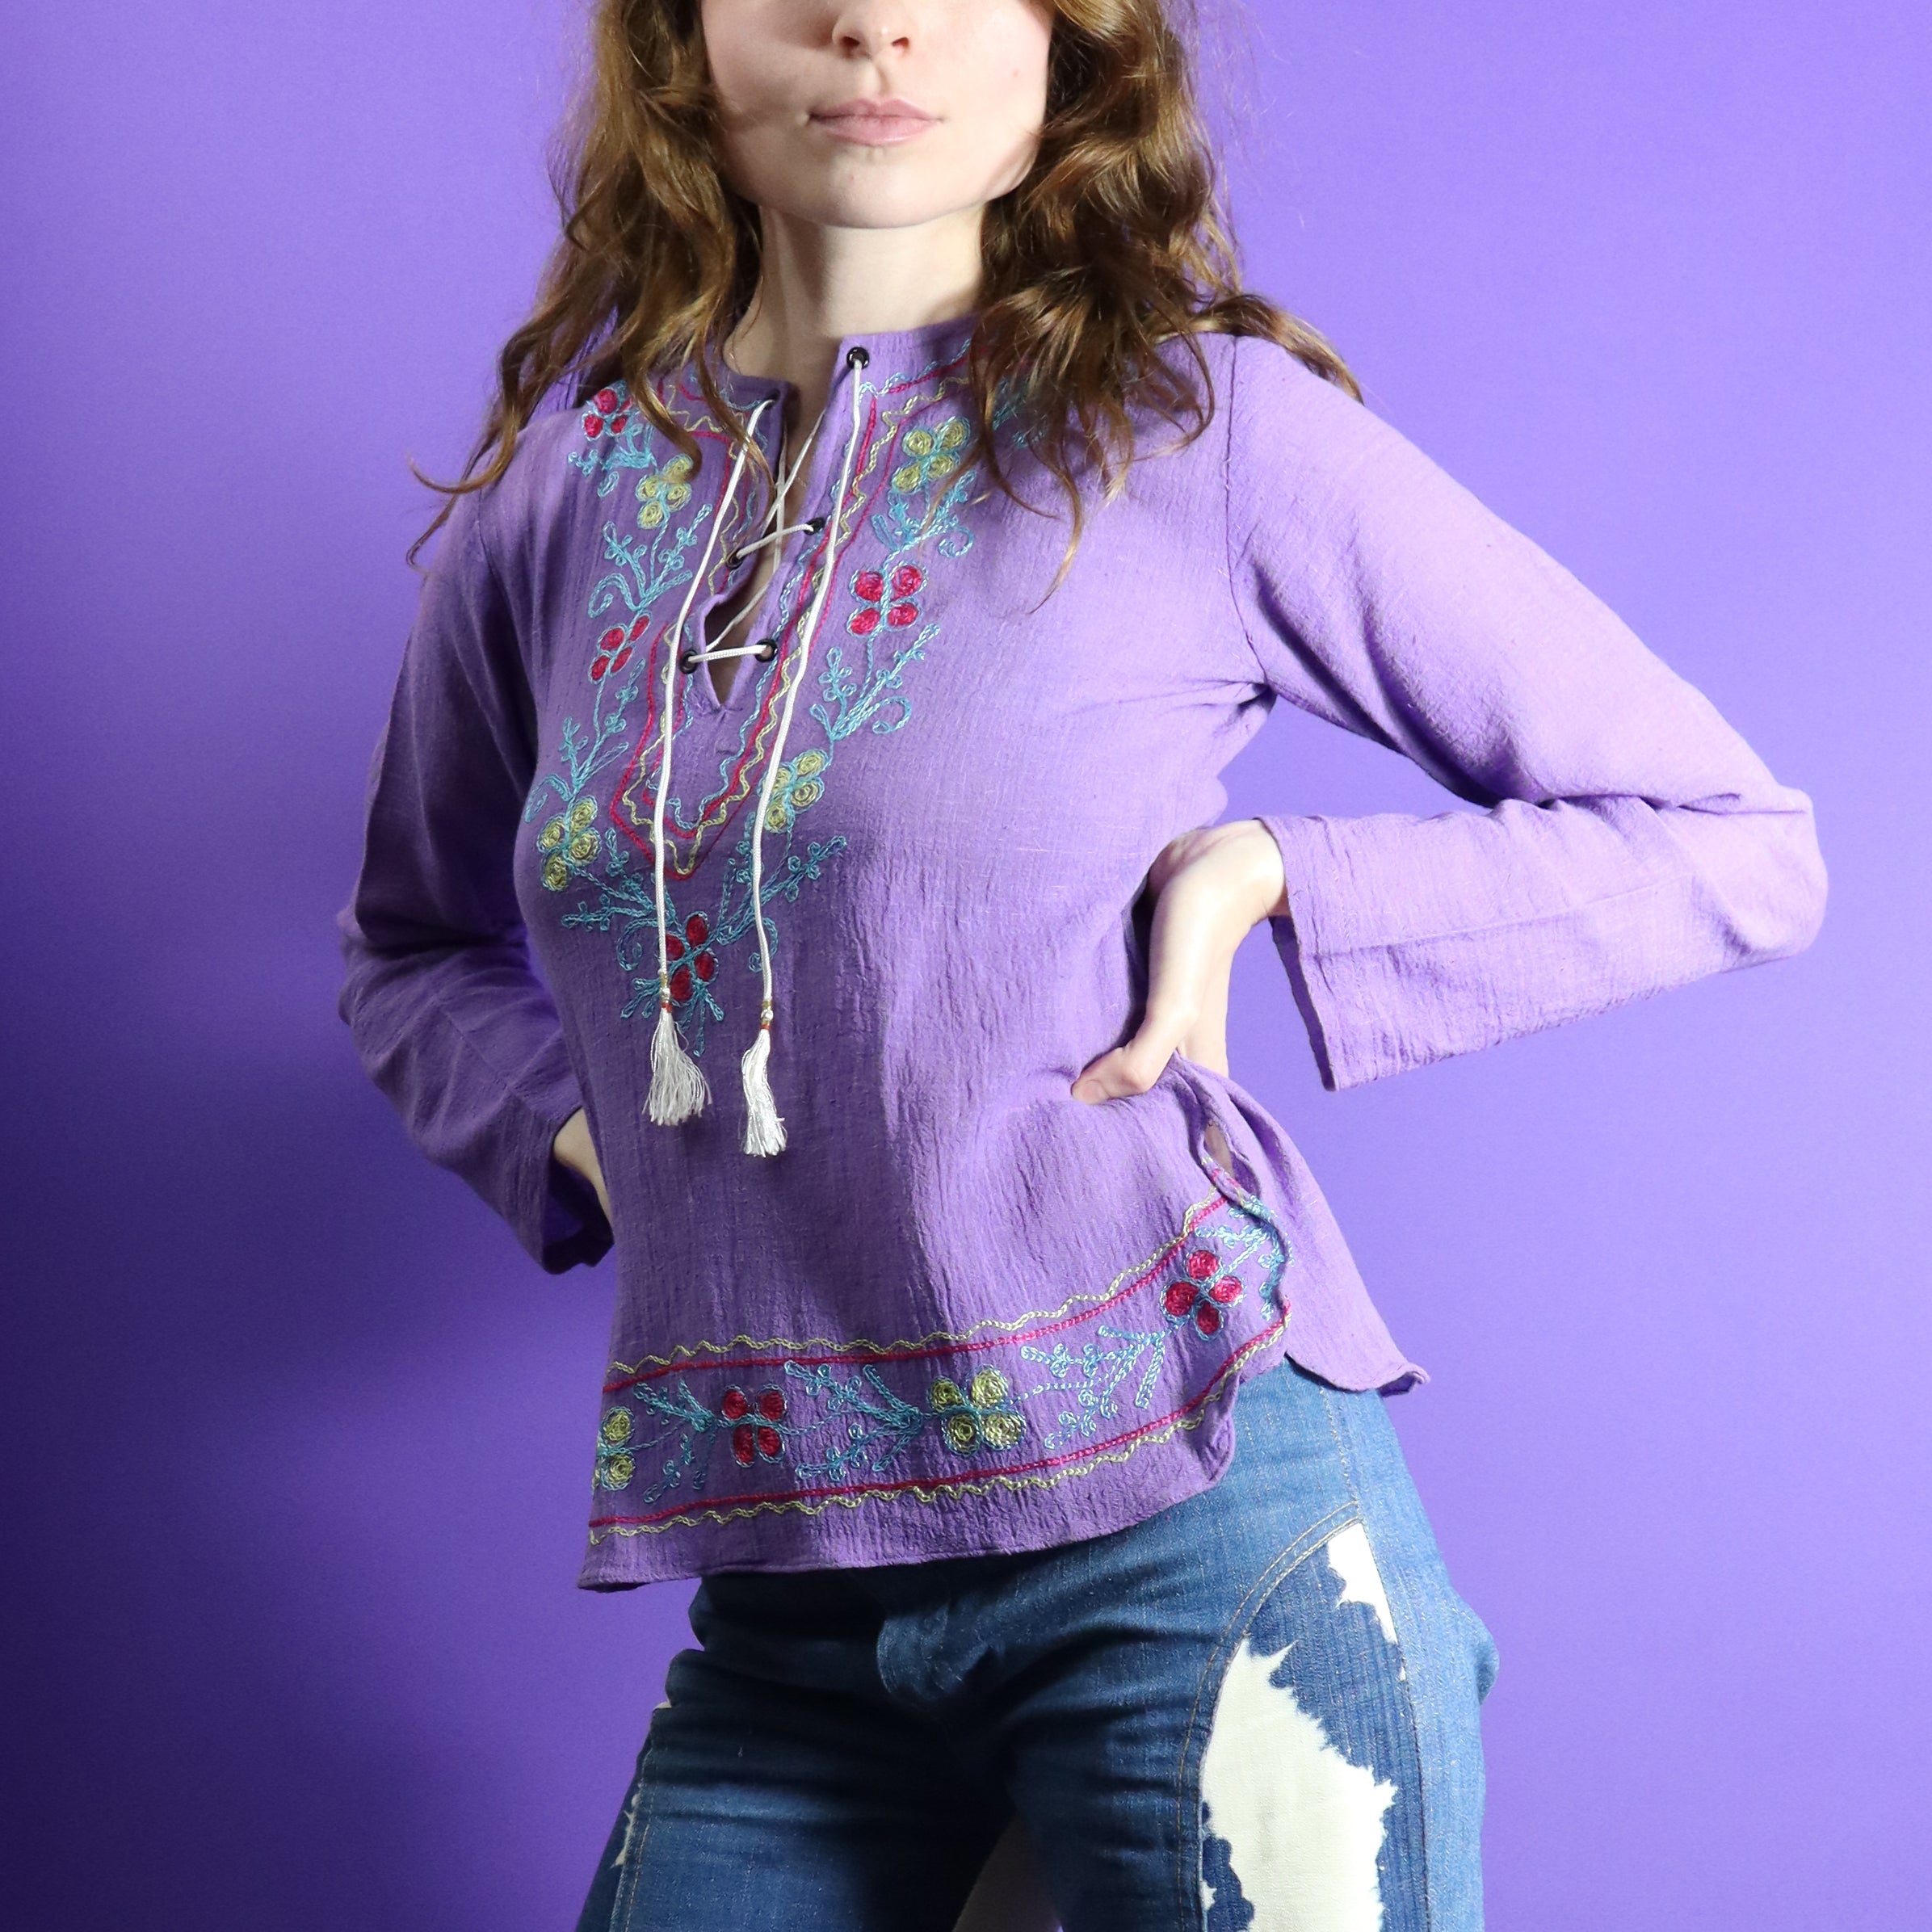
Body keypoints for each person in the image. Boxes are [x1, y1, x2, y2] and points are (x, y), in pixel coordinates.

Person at [334, 2, 1826, 1927]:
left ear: (1067, 53)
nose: (875, 22)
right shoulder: (565, 501)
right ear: (681, 41)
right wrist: (571, 1128)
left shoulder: (1190, 430)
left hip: (1198, 1537)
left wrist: (1269, 871)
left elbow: (1730, 840)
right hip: (789, 1592)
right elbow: (411, 947)